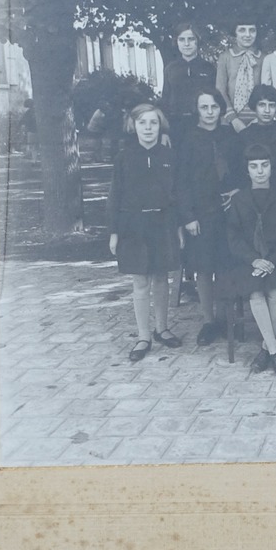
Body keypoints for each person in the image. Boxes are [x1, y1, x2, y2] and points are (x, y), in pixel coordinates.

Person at [107, 103, 185, 362]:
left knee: (162, 277)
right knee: (140, 281)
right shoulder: (124, 157)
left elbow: (178, 195)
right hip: (133, 226)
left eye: (153, 123)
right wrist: (114, 232)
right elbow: (115, 196)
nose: (148, 128)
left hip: (163, 223)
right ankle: (143, 336)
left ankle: (162, 328)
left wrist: (179, 226)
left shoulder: (170, 156)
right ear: (134, 126)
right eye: (143, 123)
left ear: (159, 125)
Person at [223, 145, 276, 378]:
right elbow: (233, 238)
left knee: (275, 292)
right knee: (255, 292)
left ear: (271, 168)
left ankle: (265, 350)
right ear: (247, 171)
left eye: (265, 165)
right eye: (254, 167)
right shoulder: (239, 200)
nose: (260, 171)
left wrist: (272, 260)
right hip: (248, 262)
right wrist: (254, 260)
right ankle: (275, 350)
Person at [177, 88, 243, 346]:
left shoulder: (230, 136)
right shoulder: (189, 138)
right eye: (204, 108)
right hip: (200, 212)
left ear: (220, 109)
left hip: (227, 209)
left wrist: (239, 189)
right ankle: (208, 321)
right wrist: (188, 216)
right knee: (204, 268)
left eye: (214, 107)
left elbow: (242, 169)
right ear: (197, 110)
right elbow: (181, 181)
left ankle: (229, 319)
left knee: (227, 265)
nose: (209, 113)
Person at [238, 84, 276, 193]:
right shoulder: (244, 135)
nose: (267, 110)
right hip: (253, 192)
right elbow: (241, 171)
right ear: (254, 106)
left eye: (271, 105)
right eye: (262, 105)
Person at [161, 19, 216, 136]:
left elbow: (215, 97)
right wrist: (164, 131)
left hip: (202, 124)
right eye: (182, 39)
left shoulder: (208, 68)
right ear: (177, 42)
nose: (186, 44)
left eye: (191, 39)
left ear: (197, 41)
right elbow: (165, 99)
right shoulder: (170, 68)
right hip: (176, 124)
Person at [215, 14, 262, 132]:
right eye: (242, 30)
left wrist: (259, 117)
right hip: (230, 118)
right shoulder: (225, 57)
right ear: (235, 33)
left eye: (252, 30)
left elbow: (266, 90)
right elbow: (220, 89)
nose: (247, 35)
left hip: (258, 118)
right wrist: (233, 118)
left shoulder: (263, 58)